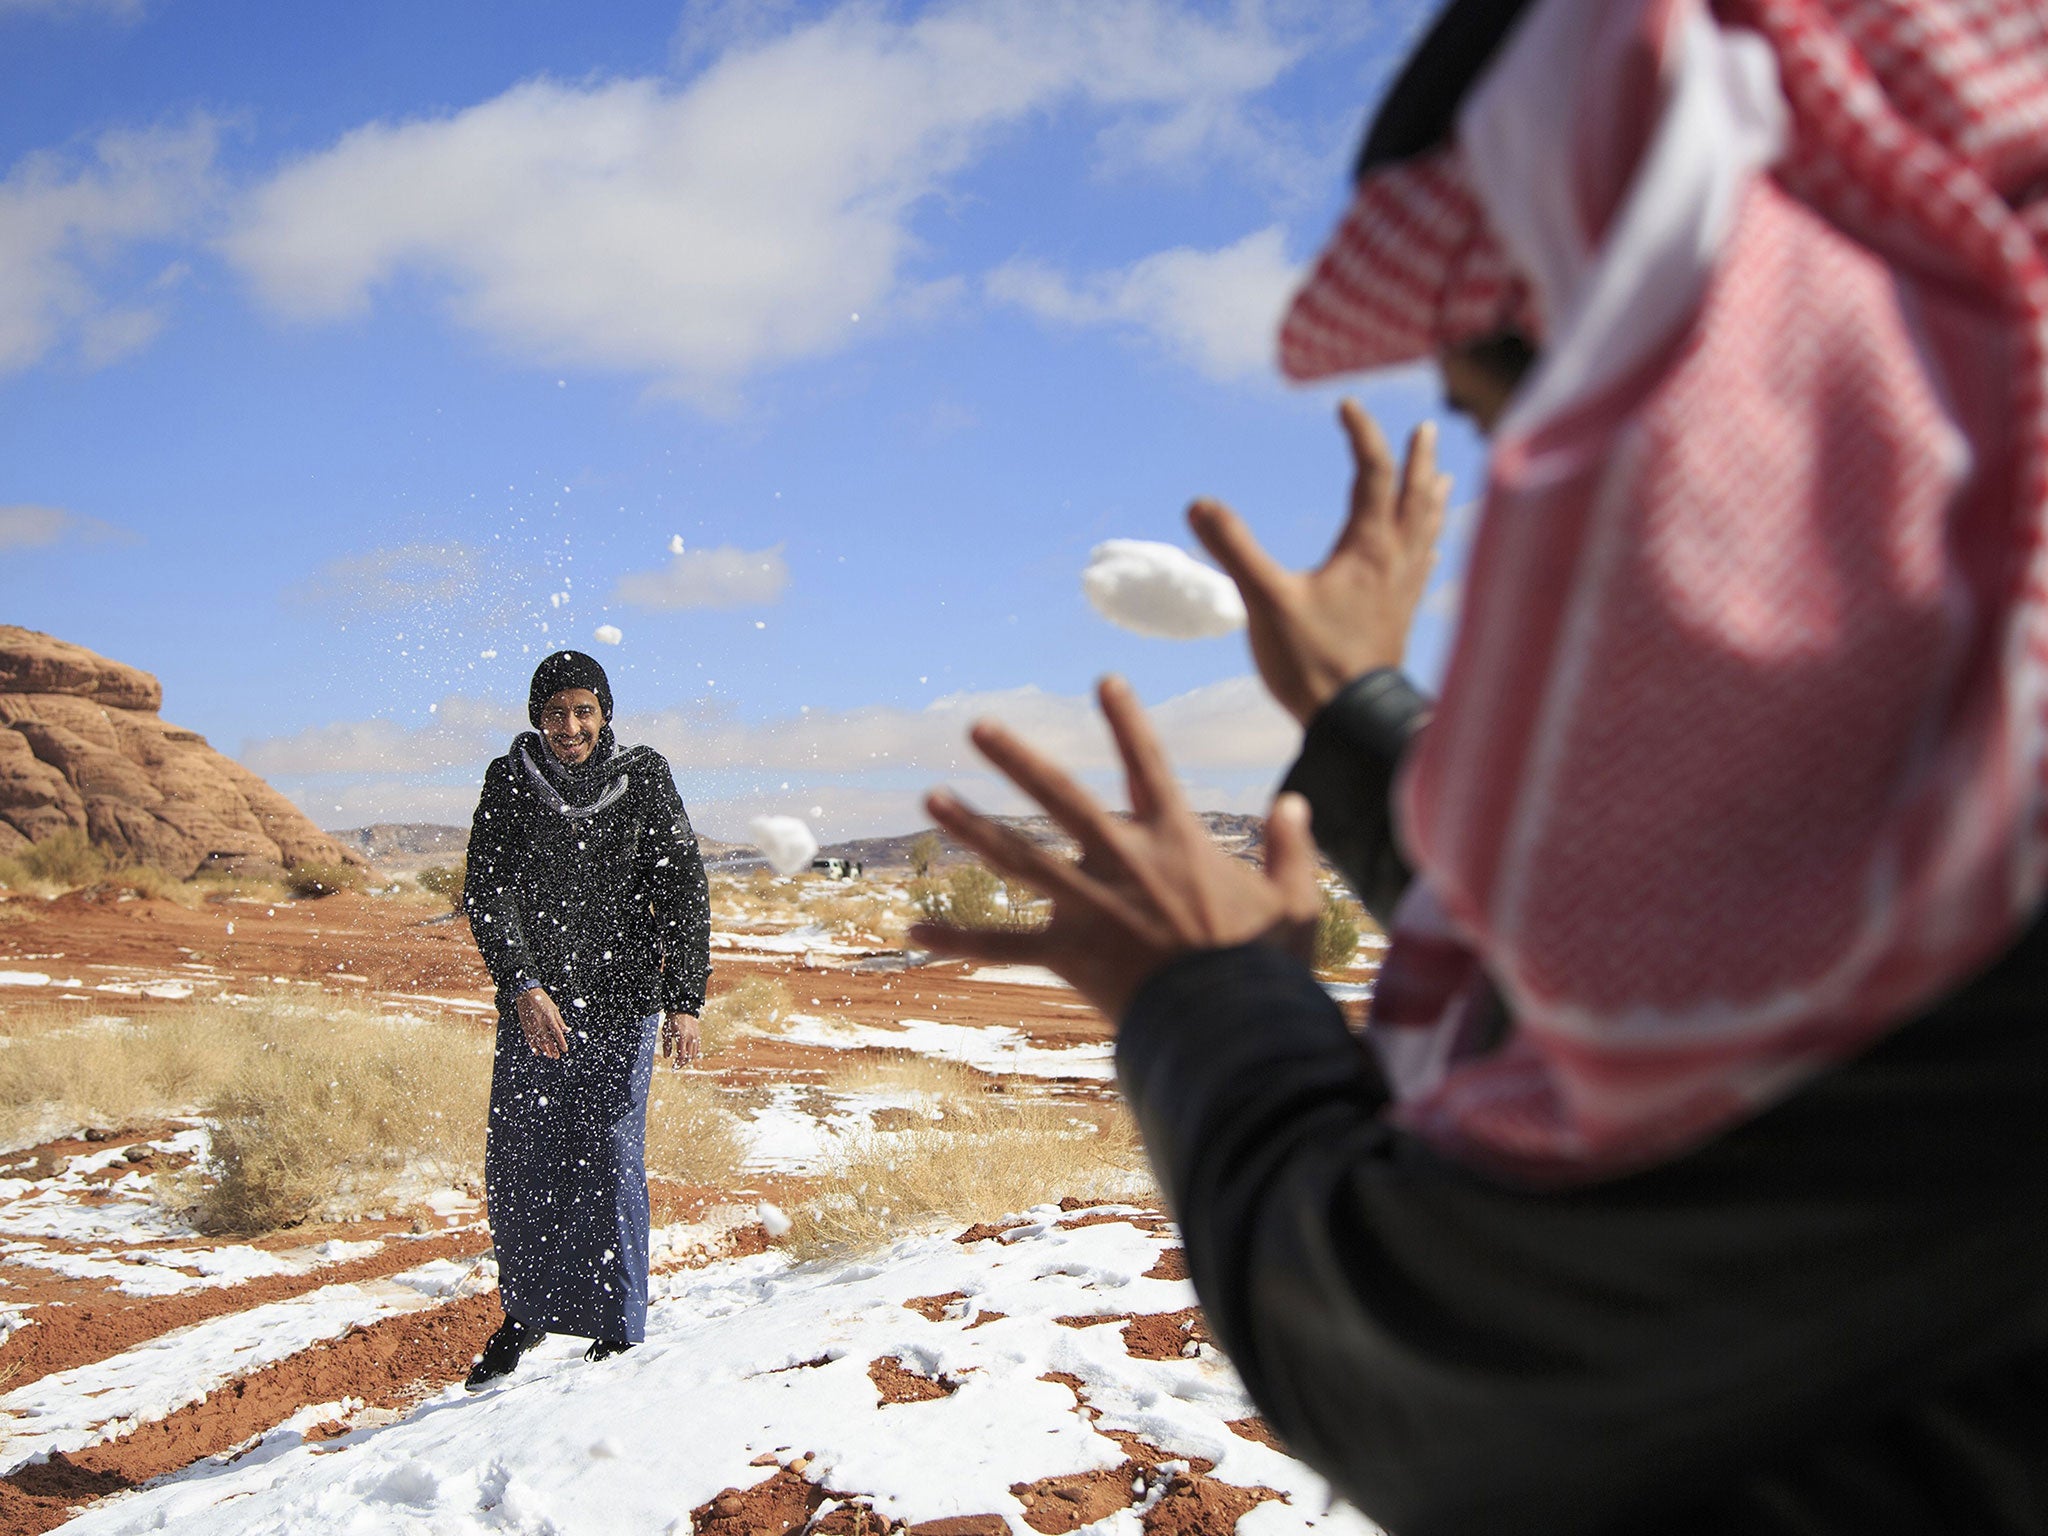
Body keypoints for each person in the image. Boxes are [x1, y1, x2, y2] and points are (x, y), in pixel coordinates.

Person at [913, 0, 2048, 1530]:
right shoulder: (1948, 799)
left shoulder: (1976, 940)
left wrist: (1210, 990)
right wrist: (1359, 711)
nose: (1535, 480)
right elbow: (1715, 905)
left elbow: (1424, 1350)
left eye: (1538, 403)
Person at [460, 649, 712, 1389]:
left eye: (583, 710)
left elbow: (683, 886)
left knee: (606, 1156)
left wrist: (685, 998)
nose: (569, 726)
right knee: (522, 1160)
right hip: (540, 1005)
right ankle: (528, 1311)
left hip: (623, 998)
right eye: (555, 711)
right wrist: (522, 985)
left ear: (604, 715)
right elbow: (488, 888)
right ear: (535, 716)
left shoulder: (644, 776)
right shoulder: (510, 780)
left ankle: (616, 1327)